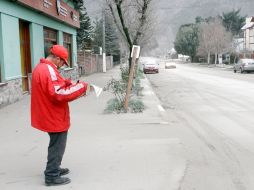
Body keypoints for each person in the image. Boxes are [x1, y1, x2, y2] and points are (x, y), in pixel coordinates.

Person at [31, 45, 92, 186]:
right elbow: (58, 93)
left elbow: (54, 86)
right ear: (57, 58)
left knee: (55, 144)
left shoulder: (42, 68)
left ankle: (55, 168)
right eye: (63, 62)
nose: (63, 65)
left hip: (48, 113)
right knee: (57, 145)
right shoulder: (48, 70)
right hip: (53, 115)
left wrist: (68, 83)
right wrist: (80, 87)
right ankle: (51, 175)